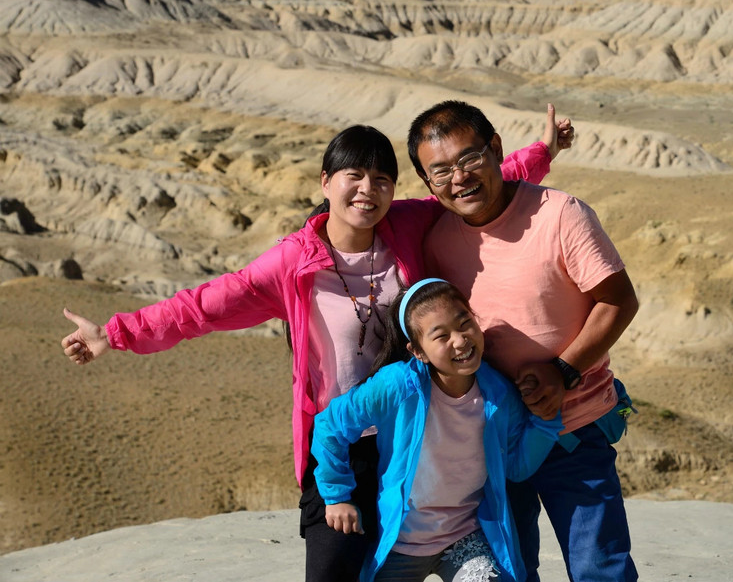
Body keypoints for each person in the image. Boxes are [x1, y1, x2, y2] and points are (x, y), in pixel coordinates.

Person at [59, 107, 574, 582]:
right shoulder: (293, 262)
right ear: (326, 182)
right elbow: (201, 306)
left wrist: (542, 152)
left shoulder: (407, 225)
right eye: (354, 176)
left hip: (410, 435)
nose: (367, 191)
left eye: (382, 180)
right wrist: (114, 334)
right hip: (341, 445)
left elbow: (471, 186)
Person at [407, 101, 639, 582]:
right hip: (490, 440)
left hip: (575, 429)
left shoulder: (561, 214)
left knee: (600, 568)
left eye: (469, 159)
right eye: (441, 171)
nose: (460, 178)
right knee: (509, 571)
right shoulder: (439, 242)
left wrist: (564, 372)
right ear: (428, 183)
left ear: (495, 149)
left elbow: (619, 301)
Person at [312, 278, 562, 582]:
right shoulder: (397, 386)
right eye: (441, 336)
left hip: (466, 540)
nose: (460, 340)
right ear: (418, 352)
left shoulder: (498, 394)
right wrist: (337, 496)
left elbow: (516, 466)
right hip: (399, 543)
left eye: (465, 323)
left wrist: (545, 419)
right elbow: (330, 425)